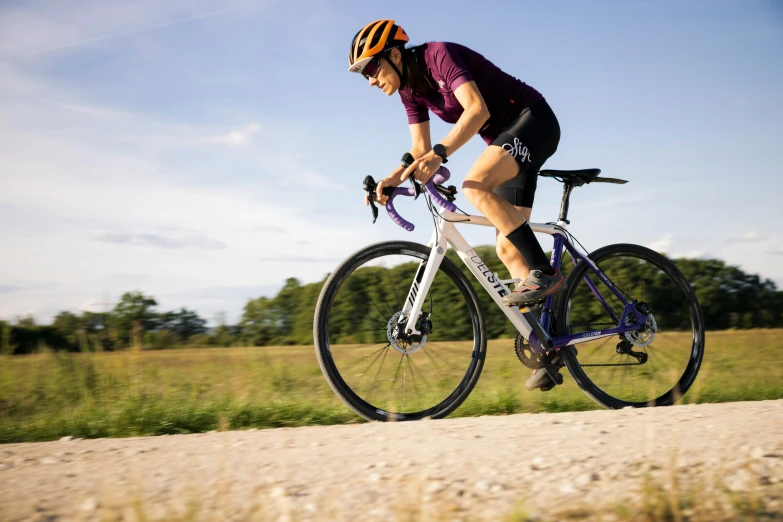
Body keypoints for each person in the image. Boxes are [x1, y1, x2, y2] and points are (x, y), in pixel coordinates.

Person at [349, 19, 564, 391]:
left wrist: (442, 152)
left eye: (372, 67)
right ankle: (552, 345)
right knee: (508, 249)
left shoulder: (439, 55)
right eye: (364, 74)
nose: (370, 79)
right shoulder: (409, 90)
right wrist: (391, 179)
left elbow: (476, 110)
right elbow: (418, 150)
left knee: (474, 185)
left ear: (395, 55)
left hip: (533, 121)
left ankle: (547, 272)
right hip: (505, 140)